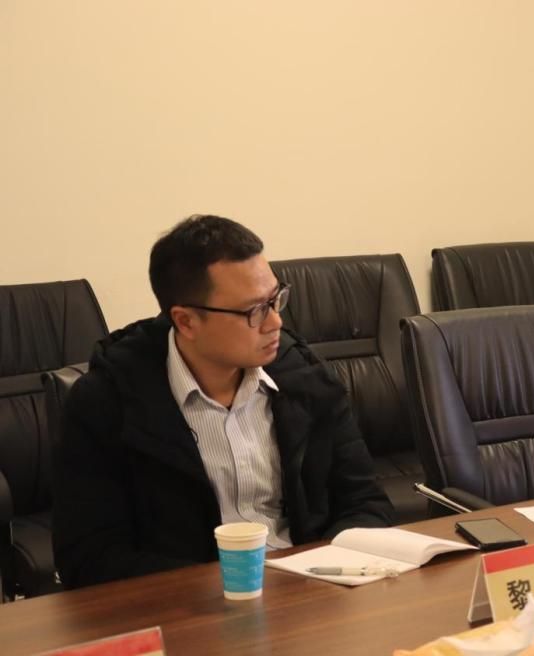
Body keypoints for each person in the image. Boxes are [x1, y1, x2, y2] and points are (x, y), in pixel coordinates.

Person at [53, 215, 393, 588]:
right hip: (186, 605)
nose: (275, 323)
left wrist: (319, 573)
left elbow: (365, 504)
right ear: (186, 322)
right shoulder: (108, 402)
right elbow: (89, 558)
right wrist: (221, 587)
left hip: (310, 588)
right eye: (254, 311)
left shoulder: (305, 377)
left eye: (276, 300)